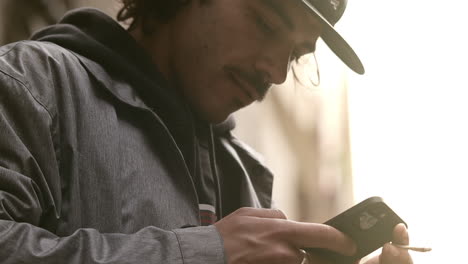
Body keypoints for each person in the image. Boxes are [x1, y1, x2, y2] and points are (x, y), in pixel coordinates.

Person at [0, 0, 413, 263]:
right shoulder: (30, 82)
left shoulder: (245, 173)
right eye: (267, 25)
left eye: (296, 55)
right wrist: (207, 252)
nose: (275, 72)